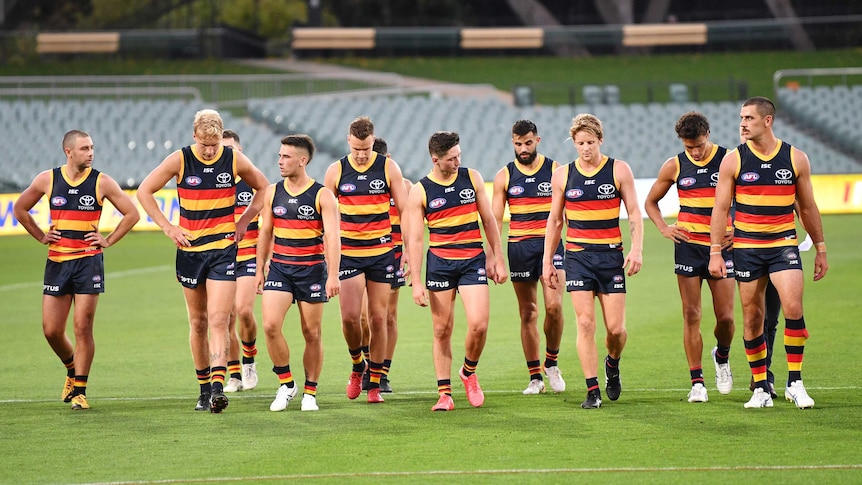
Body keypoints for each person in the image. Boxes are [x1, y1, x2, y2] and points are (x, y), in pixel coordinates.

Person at [136, 109, 269, 413]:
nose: (210, 150)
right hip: (190, 251)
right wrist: (168, 226)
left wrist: (244, 221)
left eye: (215, 144)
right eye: (205, 144)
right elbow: (145, 191)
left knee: (220, 319)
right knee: (198, 322)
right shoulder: (180, 159)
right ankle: (204, 387)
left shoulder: (233, 159)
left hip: (223, 250)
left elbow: (263, 187)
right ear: (194, 136)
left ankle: (219, 388)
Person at [709, 96, 828, 409]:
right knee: (752, 319)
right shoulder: (733, 160)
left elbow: (807, 206)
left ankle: (795, 382)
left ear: (767, 120)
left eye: (748, 118)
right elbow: (720, 209)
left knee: (793, 308)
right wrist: (715, 251)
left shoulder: (795, 158)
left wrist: (820, 247)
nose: (742, 124)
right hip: (747, 249)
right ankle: (760, 387)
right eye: (741, 118)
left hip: (783, 245)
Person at [13, 129, 140, 410]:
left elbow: (132, 214)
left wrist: (107, 240)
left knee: (82, 327)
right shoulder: (48, 179)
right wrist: (40, 235)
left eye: (92, 147)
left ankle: (80, 390)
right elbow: (20, 209)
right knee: (51, 330)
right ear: (68, 152)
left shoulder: (102, 182)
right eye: (84, 148)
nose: (91, 153)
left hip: (88, 262)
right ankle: (71, 368)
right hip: (57, 262)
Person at [541, 114, 643, 409]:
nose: (585, 148)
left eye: (590, 142)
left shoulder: (618, 170)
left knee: (615, 329)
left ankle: (612, 363)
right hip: (577, 257)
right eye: (580, 143)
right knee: (585, 323)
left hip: (610, 256)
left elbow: (634, 213)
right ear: (573, 143)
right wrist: (548, 261)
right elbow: (555, 219)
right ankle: (592, 389)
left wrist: (636, 250)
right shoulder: (563, 175)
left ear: (600, 140)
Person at [404, 131, 508, 412]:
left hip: (472, 260)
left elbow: (488, 220)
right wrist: (416, 281)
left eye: (459, 155)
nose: (457, 161)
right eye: (452, 159)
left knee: (479, 324)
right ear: (435, 160)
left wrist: (498, 258)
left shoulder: (471, 177)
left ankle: (468, 372)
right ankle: (444, 394)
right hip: (440, 263)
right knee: (441, 329)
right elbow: (414, 239)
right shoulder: (421, 190)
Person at [644, 112, 735, 403]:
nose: (694, 152)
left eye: (698, 145)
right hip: (688, 245)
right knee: (691, 314)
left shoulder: (728, 160)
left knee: (726, 318)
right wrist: (663, 227)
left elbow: (749, 197)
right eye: (688, 146)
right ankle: (697, 382)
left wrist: (741, 229)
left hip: (722, 245)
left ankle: (721, 355)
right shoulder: (674, 165)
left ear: (708, 134)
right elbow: (650, 201)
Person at [323, 116, 409, 404]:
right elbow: (326, 219)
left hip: (382, 253)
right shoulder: (335, 171)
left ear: (374, 141)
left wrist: (406, 248)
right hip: (349, 253)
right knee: (350, 318)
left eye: (367, 148)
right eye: (357, 148)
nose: (361, 155)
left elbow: (405, 211)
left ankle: (374, 383)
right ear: (348, 140)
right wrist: (329, 263)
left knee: (378, 318)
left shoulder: (388, 167)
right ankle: (357, 363)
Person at [256, 134, 340, 412]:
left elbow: (333, 237)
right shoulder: (272, 191)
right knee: (270, 326)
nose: (280, 161)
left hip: (312, 271)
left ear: (302, 161)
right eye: (279, 156)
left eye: (286, 157)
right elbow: (265, 232)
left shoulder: (322, 195)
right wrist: (259, 269)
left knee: (312, 332)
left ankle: (310, 393)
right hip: (280, 268)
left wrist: (332, 275)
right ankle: (286, 383)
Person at [491, 120, 566, 395]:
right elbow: (494, 220)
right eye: (518, 144)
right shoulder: (504, 176)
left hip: (552, 248)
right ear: (513, 142)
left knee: (554, 307)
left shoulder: (556, 170)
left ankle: (552, 362)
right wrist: (495, 258)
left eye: (528, 143)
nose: (523, 148)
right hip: (519, 249)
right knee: (528, 312)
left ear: (538, 140)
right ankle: (535, 376)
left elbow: (565, 213)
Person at [358, 137, 412, 393]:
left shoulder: (405, 187)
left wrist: (410, 253)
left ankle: (382, 372)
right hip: (361, 253)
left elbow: (411, 224)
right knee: (361, 317)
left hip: (392, 254)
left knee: (387, 315)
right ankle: (366, 363)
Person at [220, 130, 260, 393]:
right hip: (221, 258)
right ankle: (233, 374)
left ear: (240, 150)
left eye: (231, 149)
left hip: (249, 256)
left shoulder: (254, 183)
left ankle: (249, 359)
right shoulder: (213, 183)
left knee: (244, 311)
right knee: (225, 318)